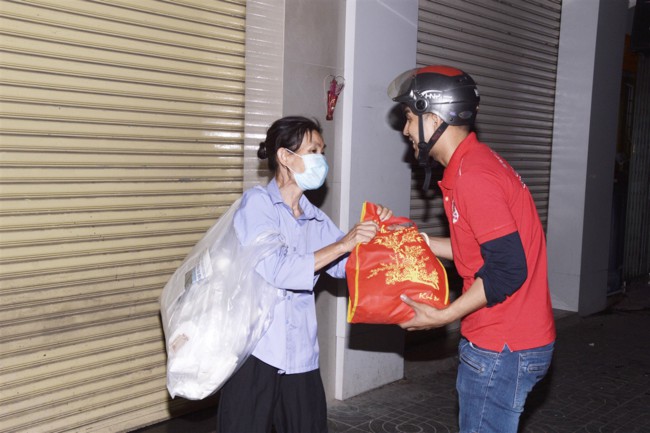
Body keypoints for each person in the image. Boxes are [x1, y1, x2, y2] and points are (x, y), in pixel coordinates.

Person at [387, 66, 556, 433]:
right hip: (515, 339)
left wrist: (443, 316)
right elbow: (479, 249)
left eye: (409, 118)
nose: (405, 130)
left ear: (433, 119)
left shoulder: (473, 177)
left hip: (502, 345)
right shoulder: (474, 165)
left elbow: (507, 268)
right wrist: (419, 241)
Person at [216, 116, 392, 433]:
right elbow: (278, 269)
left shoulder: (314, 218)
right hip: (257, 352)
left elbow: (346, 267)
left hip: (300, 355)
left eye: (322, 152)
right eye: (313, 151)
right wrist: (343, 244)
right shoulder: (257, 205)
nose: (321, 160)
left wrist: (378, 235)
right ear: (285, 156)